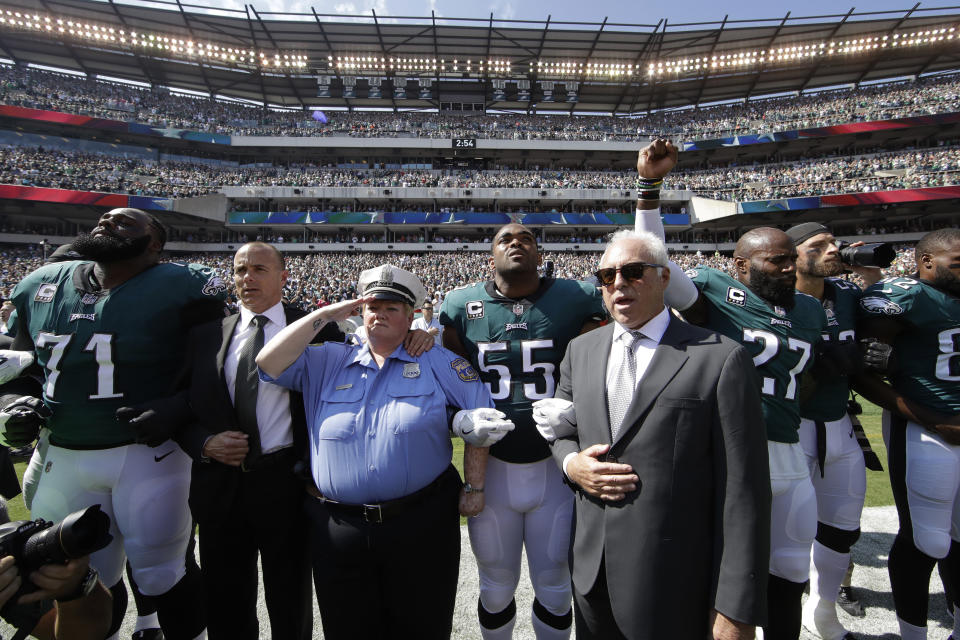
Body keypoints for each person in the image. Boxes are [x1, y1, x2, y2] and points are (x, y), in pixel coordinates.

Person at [633, 140, 827, 640]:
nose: (787, 267)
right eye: (774, 261)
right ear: (740, 267)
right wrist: (649, 191)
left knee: (790, 573)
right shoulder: (719, 293)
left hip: (791, 449)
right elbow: (656, 262)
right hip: (732, 451)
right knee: (723, 572)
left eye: (790, 259)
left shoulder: (809, 309)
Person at [256, 263, 514, 640]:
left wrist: (474, 487)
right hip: (338, 527)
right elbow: (267, 363)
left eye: (392, 308)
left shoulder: (437, 361)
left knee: (422, 626)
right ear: (359, 312)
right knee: (347, 628)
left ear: (411, 317)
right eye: (372, 306)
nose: (380, 314)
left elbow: (482, 418)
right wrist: (325, 314)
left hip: (420, 523)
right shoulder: (327, 359)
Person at [537, 229, 769, 639]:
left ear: (665, 277)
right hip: (592, 573)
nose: (618, 283)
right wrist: (572, 464)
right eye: (607, 276)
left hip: (676, 580)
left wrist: (736, 609)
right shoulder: (581, 350)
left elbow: (744, 493)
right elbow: (561, 428)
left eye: (633, 271)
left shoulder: (720, 358)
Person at [8, 207, 228, 640]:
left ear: (154, 245)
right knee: (79, 576)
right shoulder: (40, 284)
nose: (108, 223)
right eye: (106, 218)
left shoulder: (184, 285)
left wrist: (177, 407)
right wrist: (16, 406)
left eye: (127, 223)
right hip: (62, 451)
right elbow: (19, 369)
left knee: (162, 571)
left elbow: (213, 368)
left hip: (148, 453)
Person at [129, 242, 343, 639]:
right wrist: (203, 443)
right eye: (241, 270)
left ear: (283, 277)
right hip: (220, 486)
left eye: (259, 269)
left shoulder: (317, 328)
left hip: (288, 483)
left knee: (290, 597)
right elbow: (183, 405)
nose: (248, 278)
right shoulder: (206, 336)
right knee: (226, 601)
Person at [440, 223, 605, 639]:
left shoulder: (576, 297)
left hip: (555, 464)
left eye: (526, 238)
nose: (516, 243)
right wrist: (458, 417)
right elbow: (449, 373)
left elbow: (608, 355)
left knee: (555, 584)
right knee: (495, 588)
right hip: (493, 467)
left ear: (539, 252)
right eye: (505, 239)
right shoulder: (461, 304)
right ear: (490, 254)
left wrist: (579, 406)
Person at [855, 228, 960, 640]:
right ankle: (912, 634)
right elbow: (863, 371)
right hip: (922, 426)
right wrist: (930, 418)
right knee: (926, 538)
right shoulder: (908, 295)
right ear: (926, 262)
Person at [786, 222, 882, 640]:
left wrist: (872, 275)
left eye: (833, 242)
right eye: (818, 245)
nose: (833, 249)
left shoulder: (847, 295)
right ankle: (785, 611)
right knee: (789, 531)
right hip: (790, 429)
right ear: (792, 255)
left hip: (840, 422)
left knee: (843, 527)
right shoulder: (775, 299)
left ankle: (823, 608)